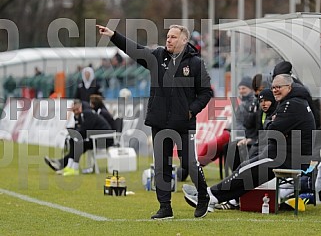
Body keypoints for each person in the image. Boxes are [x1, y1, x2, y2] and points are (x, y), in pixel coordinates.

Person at [97, 24, 213, 219]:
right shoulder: (157, 57)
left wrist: (191, 111)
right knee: (161, 166)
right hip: (159, 122)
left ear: (184, 40)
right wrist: (113, 36)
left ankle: (203, 197)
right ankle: (165, 207)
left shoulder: (194, 63)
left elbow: (206, 92)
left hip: (184, 123)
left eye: (174, 37)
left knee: (189, 163)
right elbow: (134, 50)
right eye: (168, 36)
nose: (168, 39)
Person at [183, 74, 316, 211]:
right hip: (281, 154)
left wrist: (272, 123)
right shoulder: (294, 101)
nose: (275, 90)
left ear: (289, 87)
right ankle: (212, 197)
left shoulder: (292, 104)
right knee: (246, 169)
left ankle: (207, 195)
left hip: (285, 158)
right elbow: (271, 131)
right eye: (273, 87)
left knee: (246, 169)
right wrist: (273, 122)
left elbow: (271, 131)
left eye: (279, 87)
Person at [44, 99, 113, 176]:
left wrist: (75, 132)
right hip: (95, 137)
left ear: (80, 107)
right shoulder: (80, 115)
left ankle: (72, 167)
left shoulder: (88, 113)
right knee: (73, 141)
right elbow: (82, 130)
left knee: (78, 144)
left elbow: (85, 129)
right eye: (73, 110)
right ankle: (68, 166)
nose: (75, 112)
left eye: (76, 109)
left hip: (105, 139)